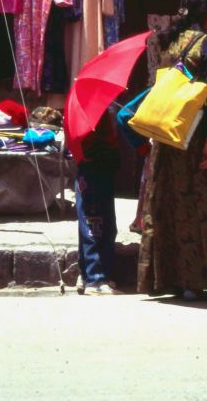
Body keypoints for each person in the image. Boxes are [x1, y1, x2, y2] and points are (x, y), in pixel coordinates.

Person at [137, 0, 207, 301]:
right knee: (199, 205)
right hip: (195, 134)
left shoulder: (168, 42)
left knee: (168, 205)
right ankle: (195, 281)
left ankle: (168, 278)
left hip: (167, 135)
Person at [75, 111, 119, 296]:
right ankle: (96, 279)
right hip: (94, 169)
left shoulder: (97, 112)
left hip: (97, 170)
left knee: (98, 224)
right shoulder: (88, 114)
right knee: (94, 225)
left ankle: (88, 274)